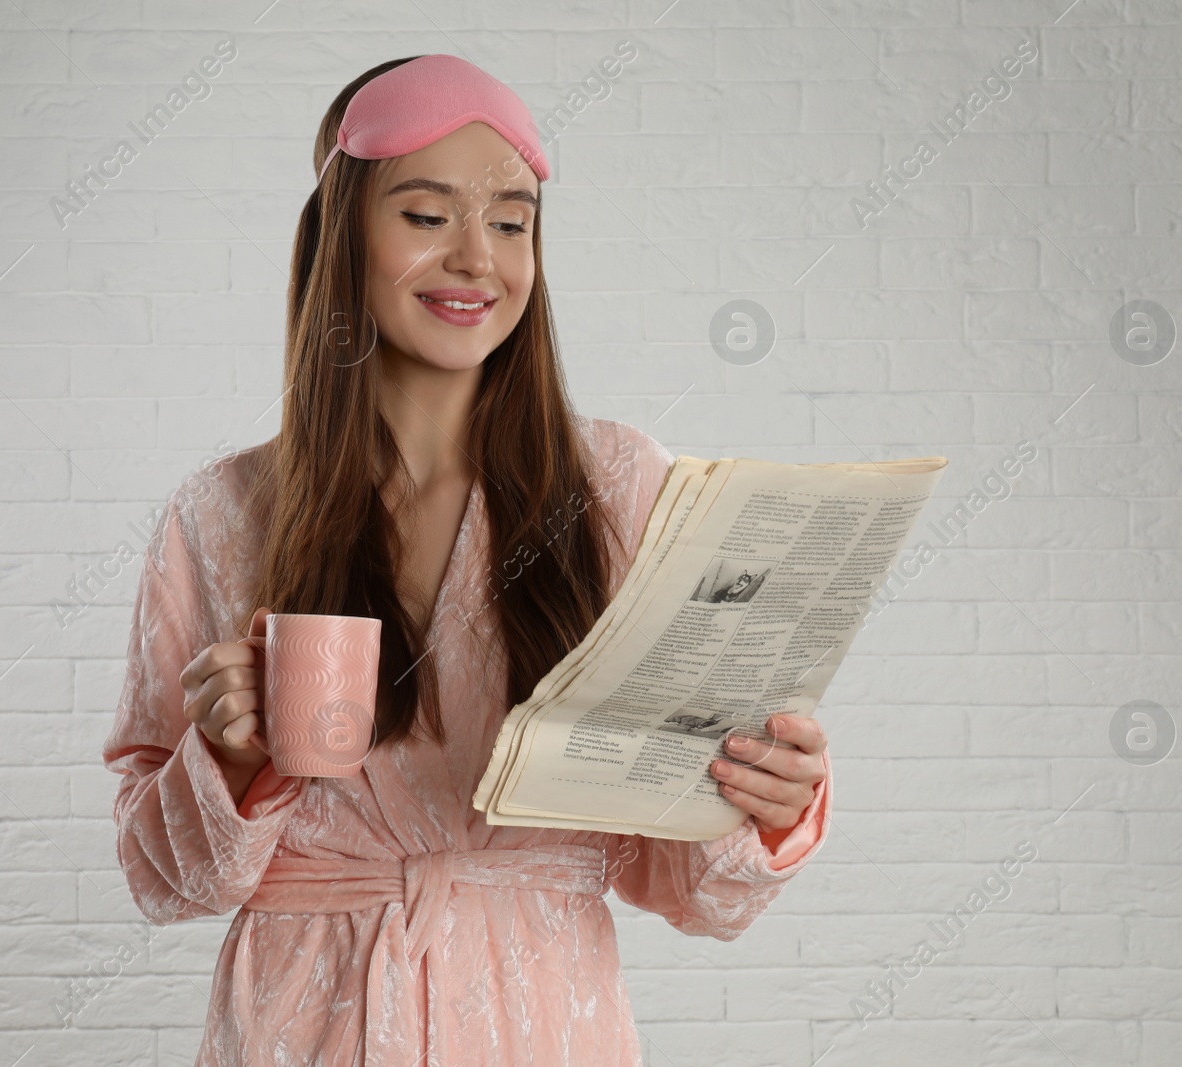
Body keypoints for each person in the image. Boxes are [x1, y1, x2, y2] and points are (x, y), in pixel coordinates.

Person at [102, 53, 833, 1067]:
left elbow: (697, 892)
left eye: (510, 220)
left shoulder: (622, 489)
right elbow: (161, 879)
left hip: (542, 1020)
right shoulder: (223, 515)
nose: (476, 259)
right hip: (302, 1027)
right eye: (425, 213)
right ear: (342, 235)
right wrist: (226, 762)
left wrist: (762, 800)